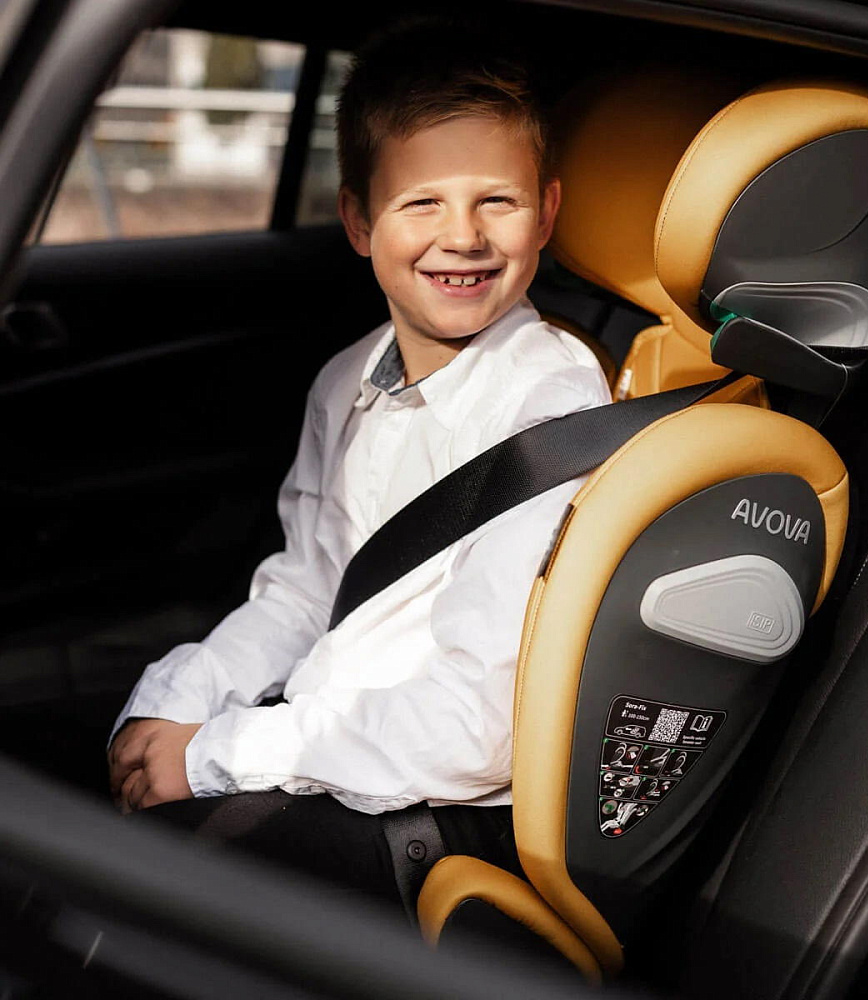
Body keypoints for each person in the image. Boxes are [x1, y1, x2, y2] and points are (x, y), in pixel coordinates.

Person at [106, 20, 611, 909]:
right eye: (423, 203)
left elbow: (479, 725)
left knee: (145, 879)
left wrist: (220, 754)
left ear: (548, 213)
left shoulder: (550, 416)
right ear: (357, 221)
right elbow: (308, 591)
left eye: (497, 200)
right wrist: (179, 701)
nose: (464, 236)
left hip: (447, 804)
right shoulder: (347, 380)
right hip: (342, 742)